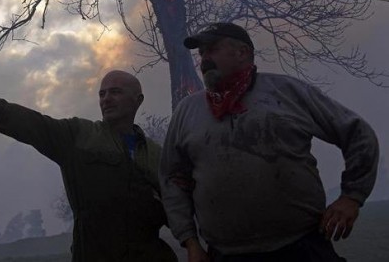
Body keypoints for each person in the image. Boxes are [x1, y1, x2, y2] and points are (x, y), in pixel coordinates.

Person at [159, 22, 379, 262]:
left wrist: (351, 197)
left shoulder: (287, 92)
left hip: (302, 248)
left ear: (242, 52)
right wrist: (190, 242)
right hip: (226, 254)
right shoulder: (187, 111)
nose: (204, 59)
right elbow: (172, 178)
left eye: (212, 49)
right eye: (201, 53)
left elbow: (358, 134)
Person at [0, 70, 177, 262]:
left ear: (138, 100)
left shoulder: (157, 155)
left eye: (115, 92)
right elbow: (26, 122)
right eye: (102, 94)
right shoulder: (78, 135)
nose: (106, 99)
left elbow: (179, 210)